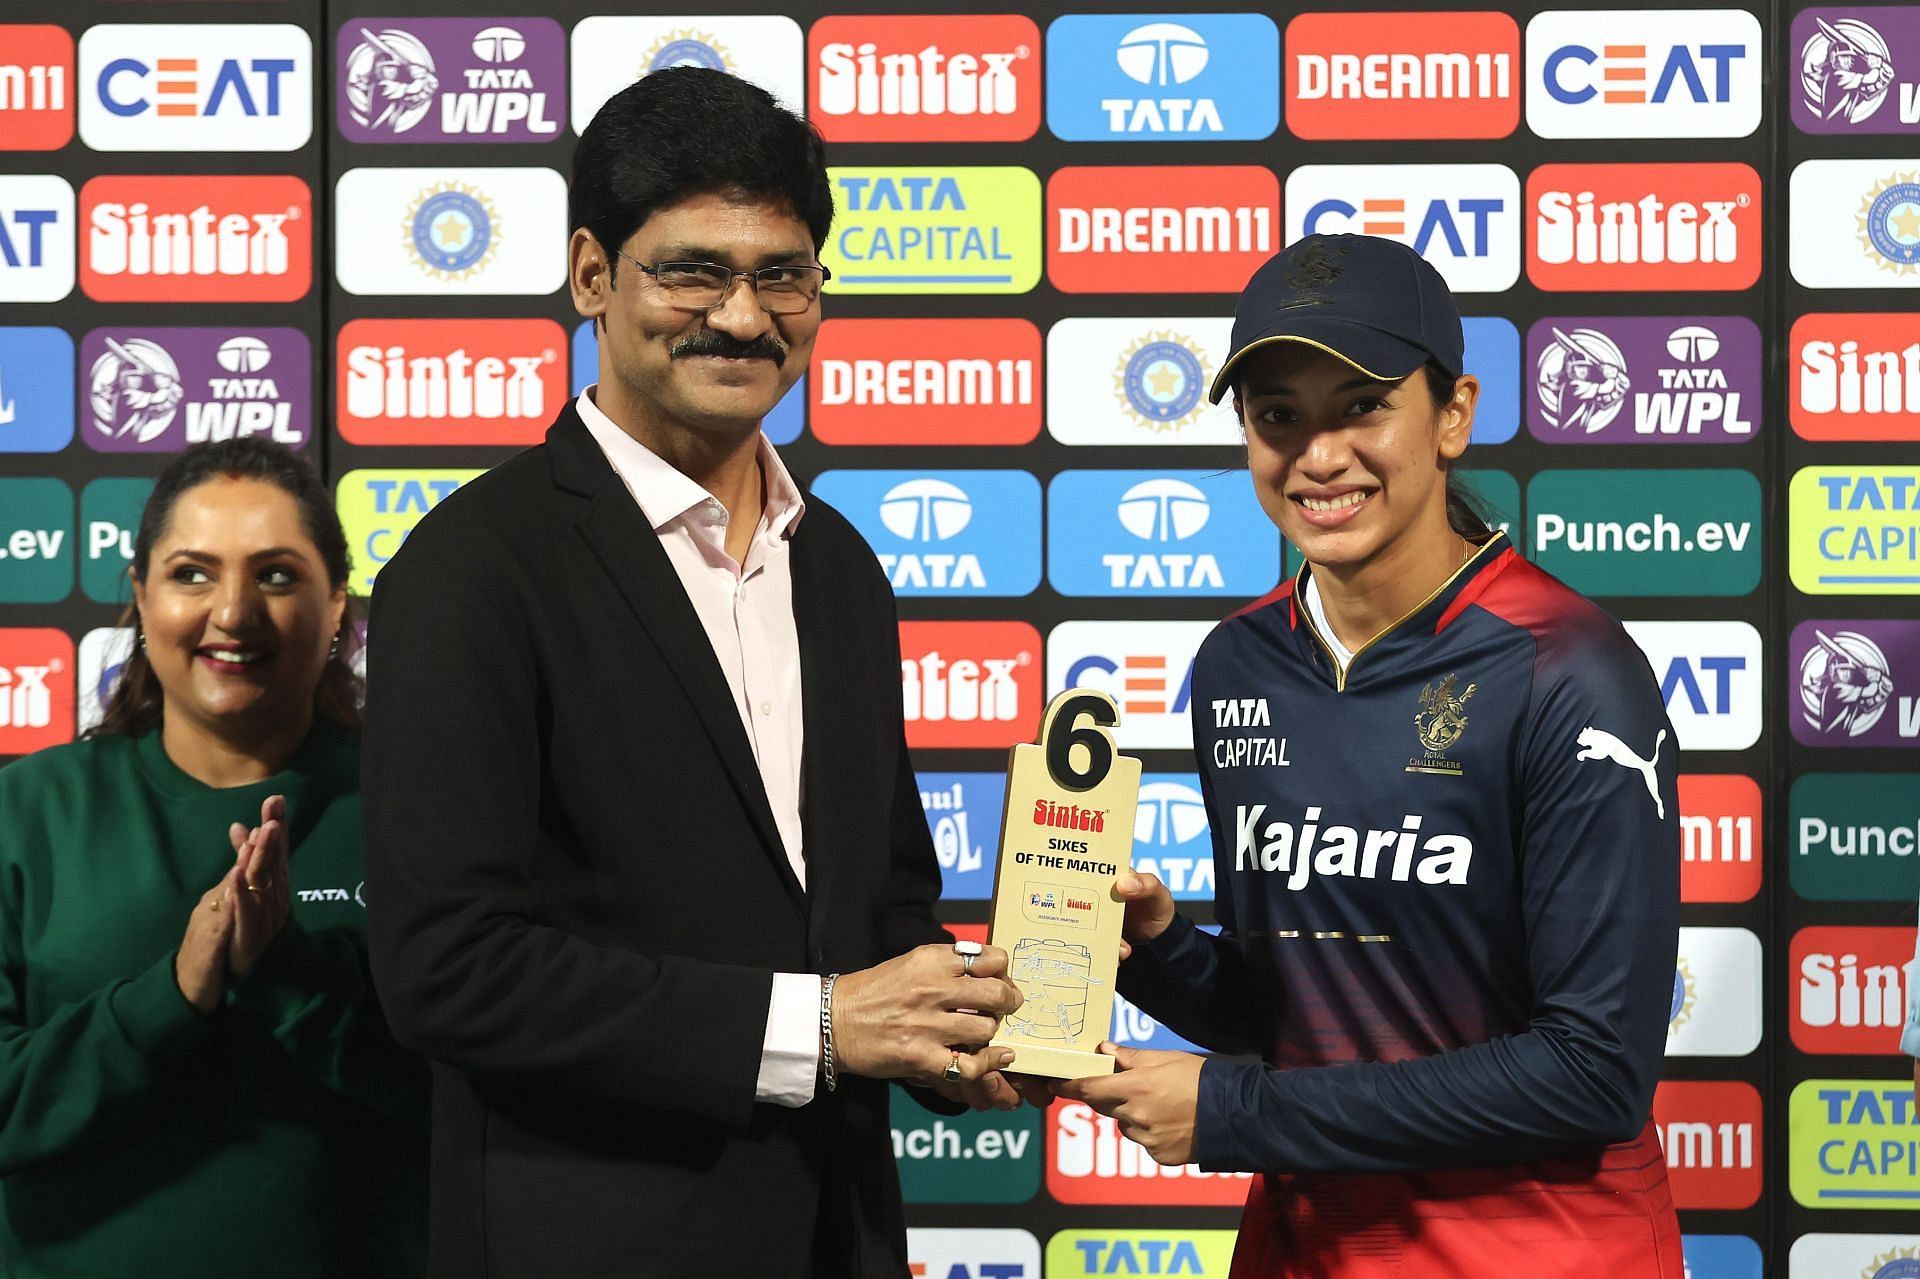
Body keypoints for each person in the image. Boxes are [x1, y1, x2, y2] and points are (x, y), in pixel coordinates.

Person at [360, 66, 1026, 1279]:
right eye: (692, 270)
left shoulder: (840, 570)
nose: (742, 315)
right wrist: (822, 1029)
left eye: (782, 273)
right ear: (591, 276)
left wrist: (956, 1027)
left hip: (843, 1237)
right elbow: (445, 970)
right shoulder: (471, 568)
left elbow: (877, 903)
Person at [1056, 234, 1685, 1277]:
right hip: (1312, 1246)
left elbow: (1593, 1071)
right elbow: (1305, 1016)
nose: (1319, 455)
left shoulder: (1568, 668)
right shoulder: (1238, 664)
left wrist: (1233, 1110)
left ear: (1452, 414)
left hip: (1535, 1251)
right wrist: (1163, 948)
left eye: (1361, 405)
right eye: (1279, 416)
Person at [0, 439, 426, 1278]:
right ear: (140, 594)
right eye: (193, 572)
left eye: (275, 574)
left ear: (337, 603)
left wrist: (289, 969)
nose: (232, 611)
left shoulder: (426, 804)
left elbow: (479, 1094)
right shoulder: (29, 810)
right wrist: (175, 992)